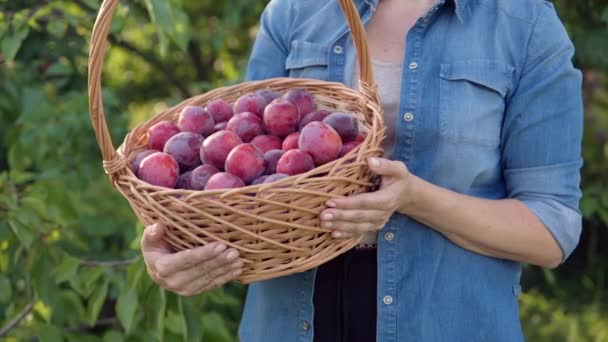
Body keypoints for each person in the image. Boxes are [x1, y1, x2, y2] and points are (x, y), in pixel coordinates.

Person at [140, 0, 584, 341]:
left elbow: (551, 229)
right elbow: (237, 166)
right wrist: (176, 247)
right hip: (289, 319)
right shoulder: (296, 11)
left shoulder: (523, 24)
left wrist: (415, 200)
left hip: (446, 319)